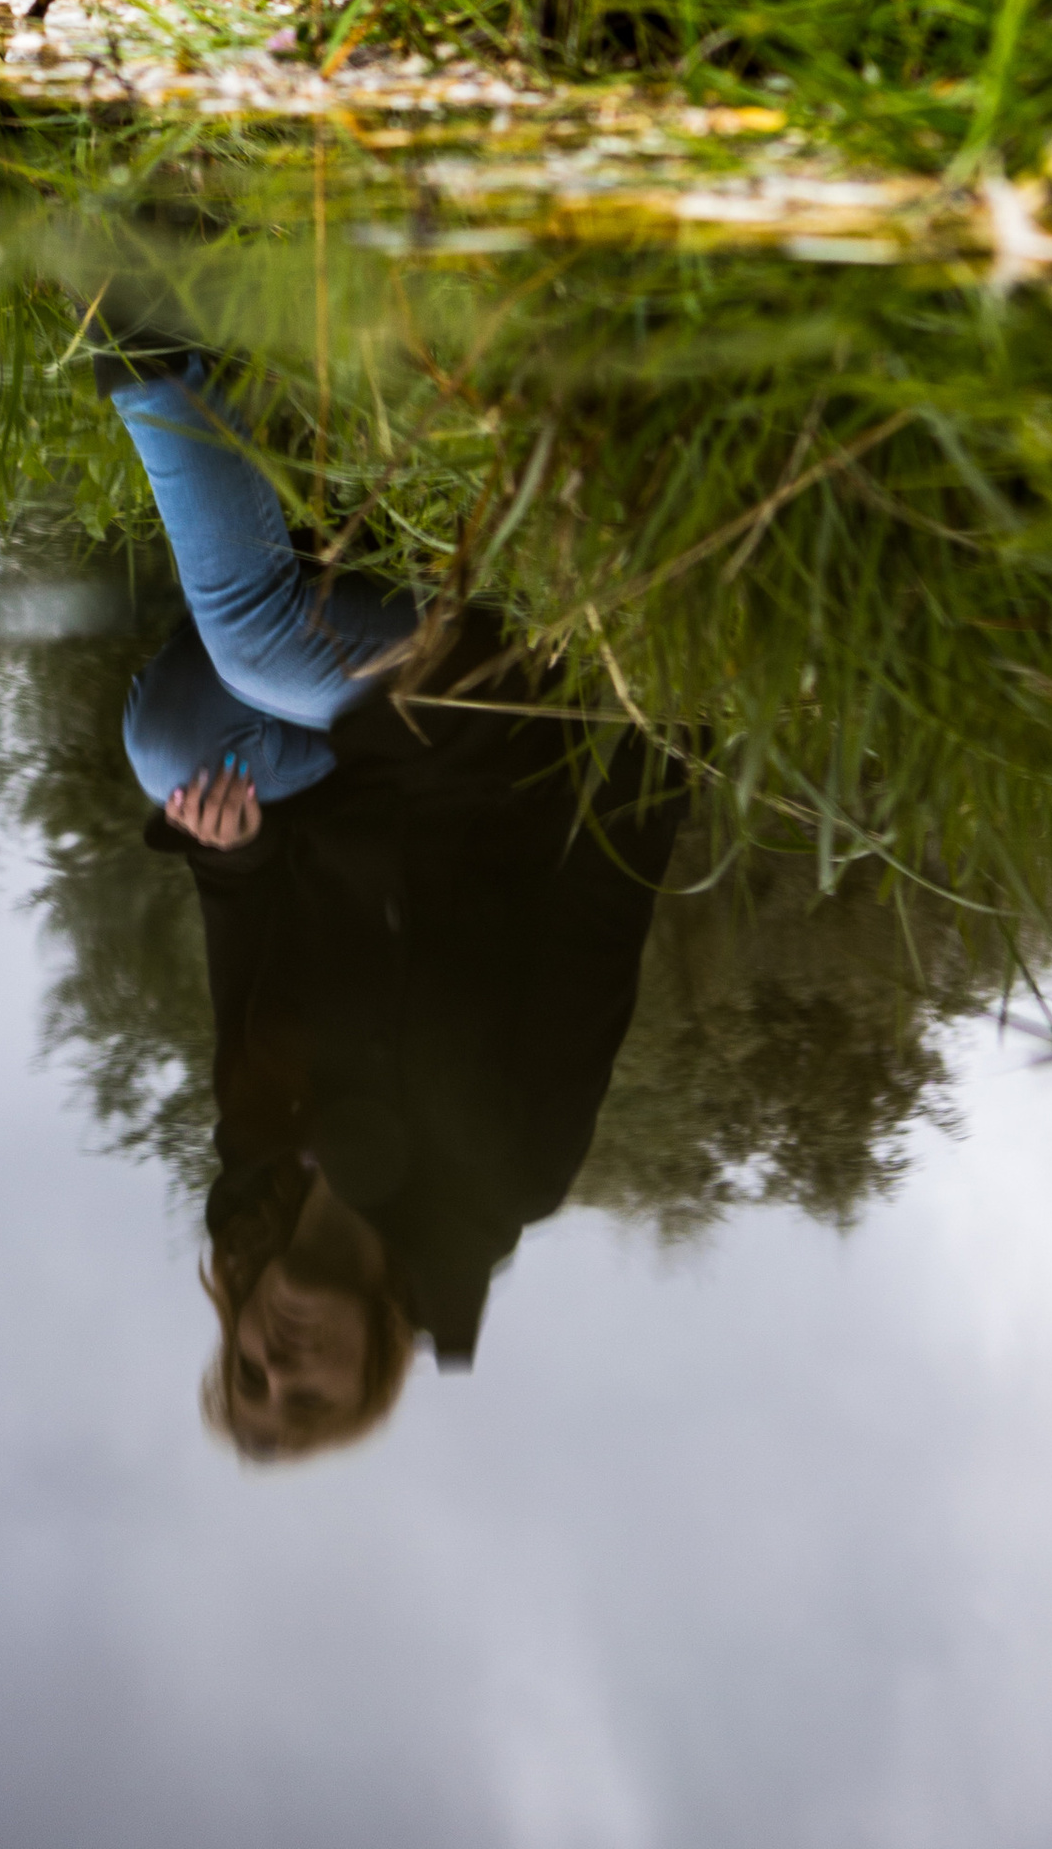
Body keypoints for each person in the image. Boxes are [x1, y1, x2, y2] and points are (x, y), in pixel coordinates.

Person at [105, 345, 687, 1460]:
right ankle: (148, 349)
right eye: (304, 1395)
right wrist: (656, 734)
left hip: (357, 768)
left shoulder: (260, 1148)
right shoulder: (507, 1175)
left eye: (245, 1371)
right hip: (510, 742)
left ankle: (218, 415)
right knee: (262, 644)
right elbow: (593, 938)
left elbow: (245, 923)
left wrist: (227, 856)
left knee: (168, 749)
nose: (277, 1359)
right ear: (375, 1374)